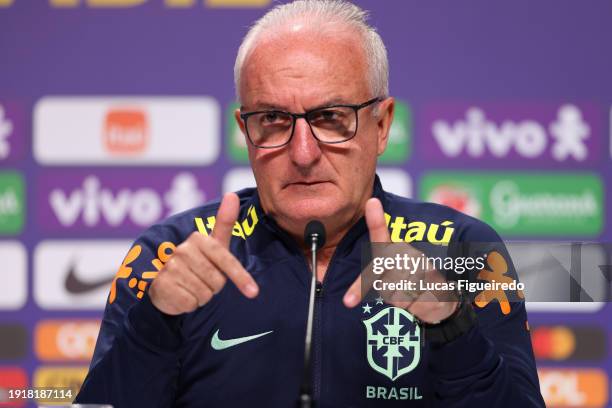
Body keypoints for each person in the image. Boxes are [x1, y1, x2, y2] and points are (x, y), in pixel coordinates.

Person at [75, 1, 545, 406]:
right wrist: (154, 325)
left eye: (331, 117)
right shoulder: (171, 253)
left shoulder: (464, 250)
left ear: (382, 125)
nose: (303, 153)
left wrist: (451, 327)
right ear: (245, 131)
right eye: (274, 119)